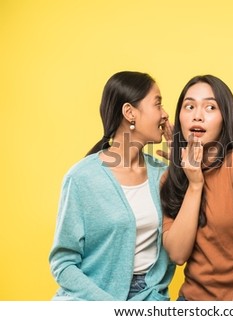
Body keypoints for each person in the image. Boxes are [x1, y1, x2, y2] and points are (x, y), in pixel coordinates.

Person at [49, 71, 175, 300]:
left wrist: (181, 165)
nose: (165, 114)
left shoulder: (164, 174)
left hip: (150, 298)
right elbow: (63, 264)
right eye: (158, 104)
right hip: (92, 299)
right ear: (130, 113)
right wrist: (110, 308)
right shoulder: (81, 178)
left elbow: (191, 234)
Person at [160, 75, 233, 300]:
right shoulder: (171, 177)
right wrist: (194, 183)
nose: (198, 115)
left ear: (225, 117)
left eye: (210, 107)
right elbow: (177, 254)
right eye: (189, 106)